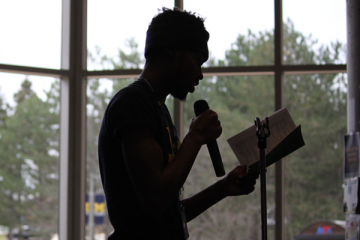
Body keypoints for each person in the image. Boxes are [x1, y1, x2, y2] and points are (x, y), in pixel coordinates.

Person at [98, 7, 259, 240]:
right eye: (197, 60)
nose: (200, 74)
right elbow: (155, 201)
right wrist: (196, 136)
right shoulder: (133, 103)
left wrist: (222, 188)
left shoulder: (157, 107)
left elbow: (167, 214)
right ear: (171, 52)